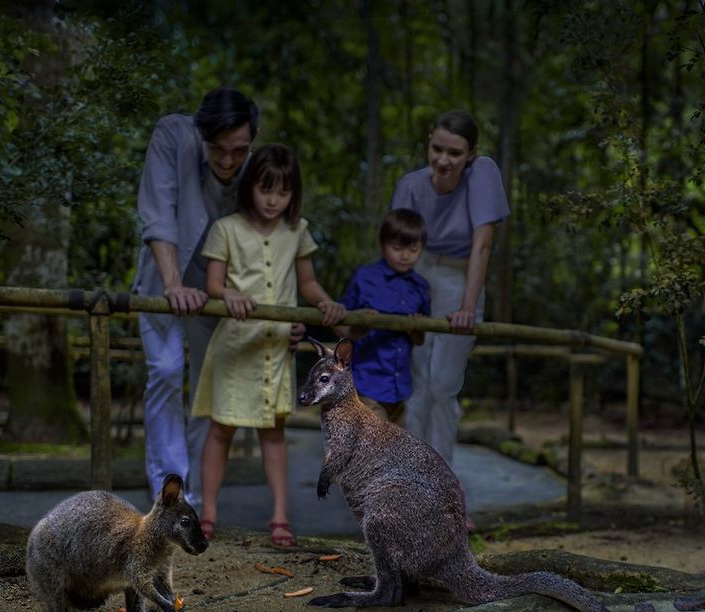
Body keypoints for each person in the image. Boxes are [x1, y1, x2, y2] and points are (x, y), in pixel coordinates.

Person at [133, 87, 302, 515]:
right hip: (165, 276)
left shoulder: (253, 165)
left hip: (220, 289)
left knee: (210, 388)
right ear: (201, 133)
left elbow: (272, 240)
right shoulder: (174, 135)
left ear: (253, 137)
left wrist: (280, 318)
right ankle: (169, 493)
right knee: (167, 370)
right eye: (217, 149)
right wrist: (173, 284)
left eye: (238, 150)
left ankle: (194, 502)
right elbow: (159, 213)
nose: (227, 160)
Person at [192, 143, 346, 547]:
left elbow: (308, 283)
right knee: (221, 428)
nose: (274, 199)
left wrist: (325, 302)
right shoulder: (226, 228)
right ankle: (207, 513)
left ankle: (280, 515)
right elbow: (212, 283)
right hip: (234, 344)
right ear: (249, 188)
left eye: (283, 191)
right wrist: (228, 295)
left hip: (276, 349)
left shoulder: (298, 231)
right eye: (265, 189)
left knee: (274, 431)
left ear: (294, 193)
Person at [390, 109, 510, 463]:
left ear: (471, 153)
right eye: (437, 149)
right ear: (429, 141)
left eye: (455, 153)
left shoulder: (483, 173)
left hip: (460, 277)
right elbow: (398, 250)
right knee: (417, 384)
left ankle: (444, 487)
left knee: (444, 384)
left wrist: (467, 308)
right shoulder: (410, 185)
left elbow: (482, 245)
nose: (444, 160)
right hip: (418, 273)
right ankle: (412, 485)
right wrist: (401, 301)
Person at [338, 208, 431, 424]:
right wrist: (359, 324)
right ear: (382, 245)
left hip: (400, 388)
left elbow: (420, 339)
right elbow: (340, 321)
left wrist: (415, 327)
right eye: (397, 247)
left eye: (413, 249)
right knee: (376, 447)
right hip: (365, 383)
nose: (405, 255)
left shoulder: (421, 287)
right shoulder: (365, 278)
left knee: (392, 453)